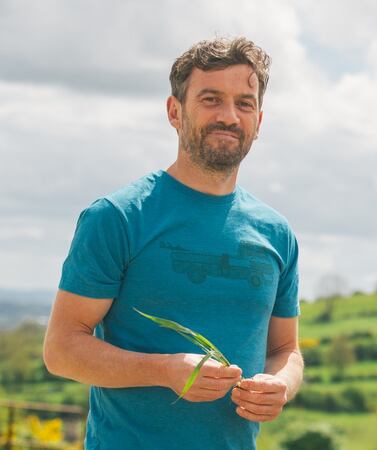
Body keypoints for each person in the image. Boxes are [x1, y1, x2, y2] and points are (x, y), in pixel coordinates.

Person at [43, 37, 303, 450]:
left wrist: (282, 384)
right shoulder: (118, 217)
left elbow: (286, 348)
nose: (229, 116)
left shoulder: (277, 234)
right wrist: (165, 370)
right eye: (211, 99)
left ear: (259, 119)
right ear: (174, 112)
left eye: (244, 103)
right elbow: (61, 349)